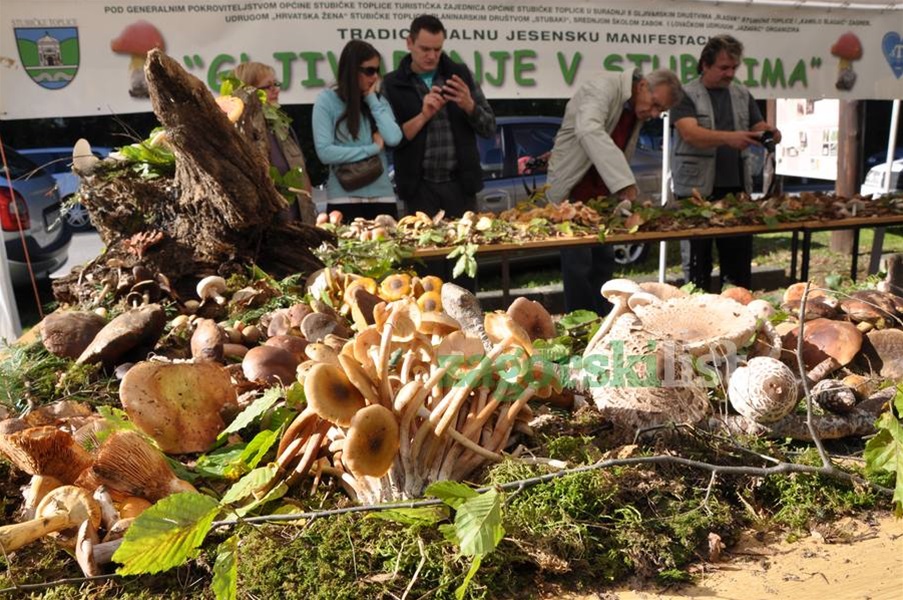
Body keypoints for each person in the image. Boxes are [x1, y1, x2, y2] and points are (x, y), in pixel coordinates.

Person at [545, 69, 683, 315]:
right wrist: (624, 183)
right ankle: (580, 329)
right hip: (572, 191)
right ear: (642, 86)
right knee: (578, 264)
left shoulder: (633, 106)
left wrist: (618, 191)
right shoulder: (602, 87)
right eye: (654, 105)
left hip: (601, 197)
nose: (653, 114)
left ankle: (604, 324)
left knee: (603, 261)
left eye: (659, 111)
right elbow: (588, 129)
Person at [672, 34, 782, 292]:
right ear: (705, 65)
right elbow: (690, 133)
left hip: (736, 191)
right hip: (695, 193)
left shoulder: (742, 93)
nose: (730, 73)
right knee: (697, 266)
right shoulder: (684, 94)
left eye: (734, 67)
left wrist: (771, 133)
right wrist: (731, 138)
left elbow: (757, 126)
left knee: (738, 266)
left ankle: (737, 316)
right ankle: (696, 320)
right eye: (723, 67)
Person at [382, 14, 496, 218]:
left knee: (466, 249)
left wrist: (469, 106)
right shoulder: (392, 84)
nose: (432, 56)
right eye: (425, 49)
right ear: (409, 43)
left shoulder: (460, 75)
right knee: (423, 248)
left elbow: (489, 128)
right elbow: (391, 141)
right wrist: (423, 116)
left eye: (437, 49)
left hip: (461, 186)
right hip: (418, 189)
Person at [312, 40, 402, 221]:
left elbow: (394, 138)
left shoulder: (377, 100)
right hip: (344, 198)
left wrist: (372, 100)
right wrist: (372, 149)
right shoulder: (327, 100)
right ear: (352, 70)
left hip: (383, 196)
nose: (375, 76)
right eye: (369, 70)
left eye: (377, 70)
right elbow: (325, 152)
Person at [232, 61, 316, 224]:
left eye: (275, 84)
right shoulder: (242, 131)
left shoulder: (282, 126)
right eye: (268, 86)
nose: (275, 89)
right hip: (269, 225)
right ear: (249, 90)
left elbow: (302, 173)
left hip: (299, 222)